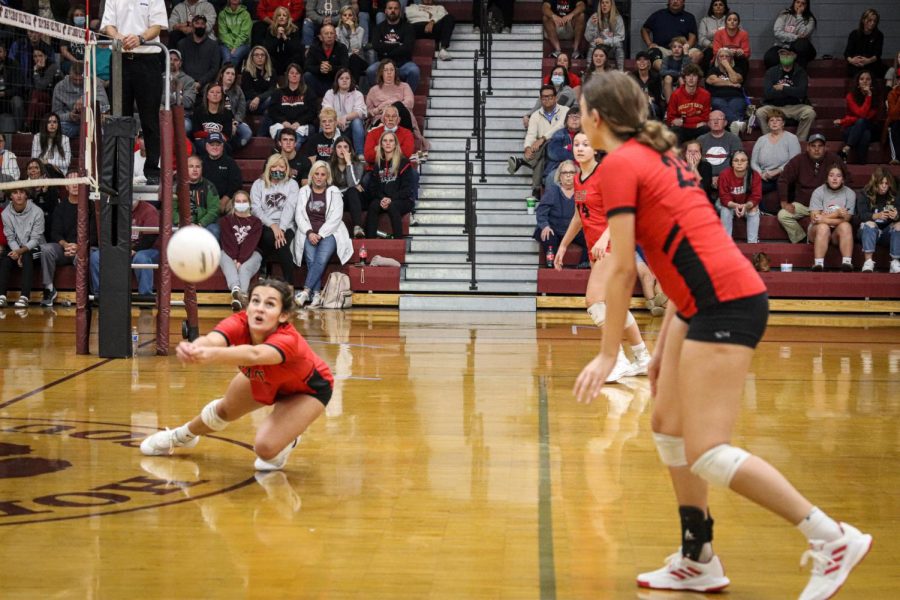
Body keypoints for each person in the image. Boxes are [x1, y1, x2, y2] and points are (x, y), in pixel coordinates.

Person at [575, 69, 872, 598]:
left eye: (580, 112)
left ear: (596, 119)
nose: (580, 121)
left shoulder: (622, 165)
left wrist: (605, 355)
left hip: (725, 301)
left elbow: (622, 268)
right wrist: (664, 343)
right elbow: (682, 252)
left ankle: (832, 537)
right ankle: (698, 557)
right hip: (703, 297)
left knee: (708, 449)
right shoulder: (654, 156)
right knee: (666, 425)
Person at [139, 278, 335, 472]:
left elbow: (255, 354)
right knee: (223, 411)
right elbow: (213, 339)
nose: (259, 308)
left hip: (308, 389)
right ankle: (180, 436)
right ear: (248, 307)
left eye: (269, 304)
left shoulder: (288, 338)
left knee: (265, 450)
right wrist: (194, 348)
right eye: (255, 301)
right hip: (266, 379)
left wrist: (211, 356)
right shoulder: (239, 321)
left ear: (283, 315)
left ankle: (287, 436)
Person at [554, 130, 651, 381]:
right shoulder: (578, 179)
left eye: (586, 144)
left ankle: (615, 359)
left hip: (613, 244)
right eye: (576, 144)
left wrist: (605, 237)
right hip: (598, 249)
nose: (580, 148)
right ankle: (643, 358)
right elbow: (579, 216)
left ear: (595, 148)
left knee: (594, 301)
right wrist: (564, 245)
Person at [101, 0, 167, 185]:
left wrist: (140, 38)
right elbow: (108, 27)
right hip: (120, 59)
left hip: (148, 59)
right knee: (119, 118)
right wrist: (120, 37)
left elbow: (157, 27)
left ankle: (153, 170)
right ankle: (121, 171)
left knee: (150, 118)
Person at [291, 161, 353, 307]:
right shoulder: (304, 191)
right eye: (316, 174)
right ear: (312, 175)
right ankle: (317, 295)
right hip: (308, 232)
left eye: (322, 174)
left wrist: (321, 234)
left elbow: (336, 217)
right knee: (312, 260)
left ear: (327, 177)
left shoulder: (334, 191)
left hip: (330, 233)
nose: (319, 177)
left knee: (321, 258)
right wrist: (309, 232)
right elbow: (299, 215)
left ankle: (306, 291)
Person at [38, 172, 97, 307]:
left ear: (83, 185)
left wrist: (78, 247)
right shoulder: (60, 207)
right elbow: (55, 233)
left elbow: (94, 235)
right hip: (64, 249)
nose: (75, 184)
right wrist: (65, 245)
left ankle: (84, 293)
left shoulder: (91, 206)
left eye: (78, 181)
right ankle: (49, 289)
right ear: (66, 186)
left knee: (81, 257)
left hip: (83, 248)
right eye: (71, 181)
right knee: (46, 249)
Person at [777, 133, 848, 243]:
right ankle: (802, 238)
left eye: (820, 146)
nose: (816, 149)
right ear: (808, 147)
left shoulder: (833, 159)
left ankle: (828, 239)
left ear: (825, 148)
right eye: (813, 146)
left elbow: (847, 178)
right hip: (802, 204)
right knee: (783, 215)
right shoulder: (798, 160)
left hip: (825, 205)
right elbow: (783, 179)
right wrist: (784, 201)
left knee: (835, 219)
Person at [89, 199, 161, 302]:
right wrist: (117, 249)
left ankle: (145, 297)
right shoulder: (115, 210)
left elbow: (150, 238)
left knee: (141, 258)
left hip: (148, 249)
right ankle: (100, 295)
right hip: (122, 249)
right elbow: (109, 234)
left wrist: (133, 250)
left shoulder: (149, 210)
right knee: (96, 257)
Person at [509, 85, 570, 197]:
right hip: (544, 152)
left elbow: (560, 126)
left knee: (550, 141)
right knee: (541, 155)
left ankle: (525, 163)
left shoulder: (565, 110)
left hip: (561, 146)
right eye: (544, 97)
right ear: (540, 99)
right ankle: (536, 187)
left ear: (556, 98)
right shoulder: (535, 116)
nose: (547, 99)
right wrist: (527, 148)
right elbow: (531, 134)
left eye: (550, 97)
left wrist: (542, 139)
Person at [251, 153, 300, 286]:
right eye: (274, 166)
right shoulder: (258, 184)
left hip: (287, 225)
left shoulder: (292, 184)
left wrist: (281, 228)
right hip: (264, 224)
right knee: (268, 236)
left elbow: (290, 208)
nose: (278, 169)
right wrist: (273, 225)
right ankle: (289, 285)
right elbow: (256, 209)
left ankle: (269, 273)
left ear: (286, 168)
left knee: (282, 242)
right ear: (269, 168)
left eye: (281, 166)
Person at [755, 44, 816, 142]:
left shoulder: (801, 72)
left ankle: (799, 142)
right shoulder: (771, 72)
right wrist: (792, 91)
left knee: (810, 113)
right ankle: (770, 140)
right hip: (774, 106)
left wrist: (782, 88)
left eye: (788, 54)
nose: (785, 57)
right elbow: (768, 93)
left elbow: (801, 92)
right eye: (782, 55)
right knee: (760, 112)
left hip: (795, 107)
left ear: (794, 56)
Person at [534, 159, 587, 265]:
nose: (568, 176)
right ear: (560, 176)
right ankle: (551, 264)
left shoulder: (581, 192)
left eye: (571, 172)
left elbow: (586, 212)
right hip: (555, 229)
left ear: (577, 175)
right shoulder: (553, 191)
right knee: (548, 236)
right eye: (565, 173)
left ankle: (584, 263)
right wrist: (545, 226)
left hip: (574, 230)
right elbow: (541, 211)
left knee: (591, 236)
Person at [218, 189, 263, 311]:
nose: (241, 203)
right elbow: (228, 240)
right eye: (238, 201)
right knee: (223, 257)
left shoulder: (256, 222)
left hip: (252, 253)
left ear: (249, 203)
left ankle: (240, 296)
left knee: (244, 268)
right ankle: (236, 290)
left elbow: (250, 243)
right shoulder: (225, 220)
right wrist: (233, 258)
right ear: (233, 204)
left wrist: (240, 260)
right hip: (228, 252)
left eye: (244, 201)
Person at [0, 187, 45, 308]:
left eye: (22, 192)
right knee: (6, 257)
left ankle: (24, 297)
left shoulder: (37, 212)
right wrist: (17, 252)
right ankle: (2, 296)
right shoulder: (5, 214)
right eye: (15, 193)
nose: (19, 195)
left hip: (38, 248)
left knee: (27, 255)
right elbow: (10, 238)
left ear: (26, 195)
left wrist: (21, 251)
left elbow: (35, 240)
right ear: (10, 196)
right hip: (17, 248)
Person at [366, 131, 414, 238]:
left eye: (391, 141)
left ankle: (397, 241)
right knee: (374, 205)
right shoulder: (378, 164)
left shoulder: (404, 162)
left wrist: (391, 199)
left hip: (402, 200)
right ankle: (370, 241)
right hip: (383, 199)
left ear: (395, 144)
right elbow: (373, 188)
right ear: (381, 144)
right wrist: (383, 198)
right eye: (385, 141)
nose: (388, 143)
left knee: (393, 206)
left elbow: (407, 190)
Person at [367, 0, 421, 95]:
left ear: (400, 11)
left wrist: (386, 50)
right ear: (385, 11)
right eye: (390, 8)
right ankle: (381, 95)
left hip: (403, 65)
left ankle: (405, 96)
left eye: (395, 8)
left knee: (414, 71)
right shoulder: (379, 28)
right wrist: (397, 45)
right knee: (371, 71)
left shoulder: (408, 27)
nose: (393, 11)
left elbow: (407, 47)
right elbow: (376, 46)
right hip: (383, 64)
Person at [750, 109, 801, 208]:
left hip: (784, 176)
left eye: (778, 120)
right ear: (768, 124)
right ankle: (762, 212)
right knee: (752, 186)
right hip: (765, 176)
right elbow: (753, 162)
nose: (774, 122)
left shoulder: (792, 138)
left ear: (783, 123)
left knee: (787, 185)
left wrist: (777, 171)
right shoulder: (761, 140)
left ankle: (785, 213)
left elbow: (795, 161)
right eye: (771, 120)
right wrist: (761, 173)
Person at [808, 166, 856, 271]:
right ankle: (818, 265)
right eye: (831, 175)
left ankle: (847, 263)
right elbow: (815, 219)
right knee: (823, 227)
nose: (834, 179)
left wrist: (824, 218)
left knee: (846, 226)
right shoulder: (818, 192)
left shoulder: (850, 193)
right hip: (817, 231)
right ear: (826, 178)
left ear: (843, 179)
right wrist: (836, 213)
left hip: (837, 233)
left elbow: (846, 219)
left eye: (838, 176)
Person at [51, 62, 110, 141]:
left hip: (92, 122)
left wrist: (86, 100)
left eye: (81, 80)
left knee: (107, 131)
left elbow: (105, 104)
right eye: (75, 79)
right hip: (70, 123)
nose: (78, 82)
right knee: (56, 129)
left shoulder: (95, 83)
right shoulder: (60, 87)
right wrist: (70, 116)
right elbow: (56, 113)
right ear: (69, 75)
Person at [856, 169, 900, 273]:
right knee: (870, 224)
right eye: (881, 183)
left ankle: (895, 262)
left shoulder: (894, 194)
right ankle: (868, 262)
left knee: (899, 225)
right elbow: (861, 216)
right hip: (867, 231)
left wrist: (896, 215)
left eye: (886, 183)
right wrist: (877, 215)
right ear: (875, 183)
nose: (884, 186)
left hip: (886, 233)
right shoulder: (865, 193)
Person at [265, 63, 318, 142]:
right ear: (287, 75)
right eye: (292, 73)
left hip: (301, 126)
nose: (294, 75)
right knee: (284, 138)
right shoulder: (278, 92)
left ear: (300, 76)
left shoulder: (308, 92)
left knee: (295, 140)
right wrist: (284, 122)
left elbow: (312, 112)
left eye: (297, 73)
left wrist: (299, 123)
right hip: (282, 125)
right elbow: (272, 111)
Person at [717, 149, 761, 243]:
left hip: (746, 205)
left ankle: (752, 243)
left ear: (748, 163)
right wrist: (735, 205)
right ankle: (726, 243)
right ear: (732, 163)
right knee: (725, 210)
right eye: (736, 160)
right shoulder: (724, 174)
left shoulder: (754, 175)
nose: (739, 163)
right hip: (730, 205)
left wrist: (746, 206)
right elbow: (724, 197)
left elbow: (756, 196)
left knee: (754, 208)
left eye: (743, 160)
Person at [322, 68, 367, 159]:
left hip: (350, 128)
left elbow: (361, 111)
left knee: (357, 121)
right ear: (337, 80)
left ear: (351, 80)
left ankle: (360, 154)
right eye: (341, 78)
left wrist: (345, 117)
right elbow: (326, 109)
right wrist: (336, 119)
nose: (344, 80)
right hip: (334, 126)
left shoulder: (357, 94)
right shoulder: (330, 93)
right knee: (324, 121)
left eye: (347, 78)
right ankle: (324, 153)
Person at [834, 70, 878, 165]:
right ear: (858, 82)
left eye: (868, 79)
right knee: (865, 134)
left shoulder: (876, 97)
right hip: (851, 129)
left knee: (863, 124)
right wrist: (846, 121)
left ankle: (847, 148)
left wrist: (869, 96)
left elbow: (866, 117)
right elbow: (860, 115)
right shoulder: (850, 96)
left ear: (872, 82)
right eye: (862, 79)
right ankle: (861, 164)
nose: (865, 81)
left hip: (870, 126)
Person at [175, 154, 222, 239]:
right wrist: (181, 222)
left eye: (198, 166)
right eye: (191, 166)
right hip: (182, 223)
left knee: (214, 230)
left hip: (203, 224)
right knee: (168, 229)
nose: (195, 169)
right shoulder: (177, 187)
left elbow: (214, 210)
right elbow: (171, 209)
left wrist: (200, 224)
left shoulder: (209, 186)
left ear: (201, 169)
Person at [330, 136, 368, 238]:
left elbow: (352, 184)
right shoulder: (329, 165)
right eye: (339, 147)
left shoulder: (358, 165)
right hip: (337, 199)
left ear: (350, 149)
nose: (342, 150)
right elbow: (329, 187)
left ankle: (357, 228)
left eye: (345, 147)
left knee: (352, 191)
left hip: (353, 200)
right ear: (334, 150)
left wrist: (348, 163)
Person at [640, 0, 697, 65]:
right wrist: (649, 44)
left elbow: (693, 37)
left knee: (697, 54)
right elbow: (644, 29)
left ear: (683, 2)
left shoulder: (689, 17)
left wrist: (685, 48)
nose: (675, 1)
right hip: (662, 50)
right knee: (653, 51)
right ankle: (665, 72)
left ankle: (681, 71)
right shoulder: (658, 15)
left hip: (682, 50)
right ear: (668, 1)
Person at [763, 0, 816, 69]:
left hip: (798, 48)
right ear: (794, 3)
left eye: (803, 3)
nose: (799, 5)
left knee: (802, 43)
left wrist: (799, 15)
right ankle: (783, 71)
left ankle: (799, 71)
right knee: (769, 58)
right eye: (798, 2)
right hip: (781, 46)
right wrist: (795, 37)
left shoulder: (810, 19)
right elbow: (777, 32)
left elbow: (803, 34)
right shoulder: (784, 14)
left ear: (806, 6)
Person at [665, 64, 710, 144]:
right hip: (683, 129)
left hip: (697, 128)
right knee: (674, 130)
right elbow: (670, 118)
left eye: (694, 76)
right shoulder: (676, 94)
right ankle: (676, 156)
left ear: (698, 78)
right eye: (688, 75)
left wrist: (684, 121)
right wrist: (694, 123)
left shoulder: (705, 94)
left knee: (706, 128)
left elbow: (705, 117)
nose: (691, 79)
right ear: (684, 78)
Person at [698, 111, 742, 192]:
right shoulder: (701, 139)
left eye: (719, 119)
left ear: (725, 123)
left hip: (728, 177)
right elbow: (697, 161)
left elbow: (738, 162)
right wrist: (710, 177)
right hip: (705, 178)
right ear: (708, 123)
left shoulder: (734, 139)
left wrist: (721, 177)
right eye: (712, 119)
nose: (715, 121)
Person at [303, 23, 350, 99]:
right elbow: (307, 66)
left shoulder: (342, 48)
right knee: (307, 76)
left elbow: (345, 67)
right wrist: (320, 68)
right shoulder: (314, 48)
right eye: (326, 33)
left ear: (335, 36)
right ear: (320, 37)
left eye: (332, 33)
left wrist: (331, 68)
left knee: (345, 75)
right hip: (319, 82)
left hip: (335, 83)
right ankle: (313, 102)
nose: (329, 36)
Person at [706, 47, 747, 130]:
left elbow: (736, 79)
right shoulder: (713, 70)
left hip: (736, 96)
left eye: (727, 56)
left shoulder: (737, 70)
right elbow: (713, 81)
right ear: (717, 59)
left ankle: (734, 127)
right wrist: (731, 84)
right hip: (717, 97)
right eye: (721, 56)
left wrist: (728, 66)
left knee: (736, 105)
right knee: (719, 103)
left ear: (731, 59)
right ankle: (738, 124)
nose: (724, 58)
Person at [201, 132, 242, 215]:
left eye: (218, 144)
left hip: (226, 200)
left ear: (222, 146)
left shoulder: (230, 162)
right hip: (204, 201)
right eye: (212, 144)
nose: (215, 147)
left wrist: (224, 200)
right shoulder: (201, 162)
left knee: (237, 205)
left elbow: (236, 184)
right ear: (206, 146)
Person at [177, 14, 222, 90]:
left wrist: (200, 82)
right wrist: (189, 81)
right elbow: (179, 66)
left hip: (207, 85)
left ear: (205, 26)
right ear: (192, 25)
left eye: (202, 24)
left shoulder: (213, 45)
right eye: (197, 23)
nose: (200, 26)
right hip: (186, 84)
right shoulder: (182, 44)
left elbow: (215, 68)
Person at [191, 82, 235, 156]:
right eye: (212, 92)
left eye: (218, 92)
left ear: (222, 96)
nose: (215, 94)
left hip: (219, 142)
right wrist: (214, 135)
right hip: (204, 142)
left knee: (225, 146)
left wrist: (207, 135)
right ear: (207, 95)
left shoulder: (227, 113)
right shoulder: (198, 111)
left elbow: (227, 136)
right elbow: (196, 133)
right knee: (200, 144)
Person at [25, 43, 60, 134]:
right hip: (38, 100)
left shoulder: (52, 67)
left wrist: (36, 71)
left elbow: (41, 86)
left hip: (53, 97)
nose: (37, 58)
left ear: (46, 56)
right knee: (39, 105)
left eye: (40, 55)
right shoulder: (32, 67)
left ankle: (27, 125)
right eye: (35, 56)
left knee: (36, 94)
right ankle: (37, 130)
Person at [262, 6, 305, 79]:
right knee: (268, 58)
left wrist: (285, 38)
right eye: (279, 15)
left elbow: (296, 49)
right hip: (276, 60)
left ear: (288, 18)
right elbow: (268, 49)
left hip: (289, 59)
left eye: (284, 15)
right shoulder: (270, 30)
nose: (281, 17)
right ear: (275, 18)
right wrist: (278, 37)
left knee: (297, 57)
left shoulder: (294, 30)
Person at [217, 63, 251, 150]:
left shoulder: (238, 90)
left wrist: (235, 122)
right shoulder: (214, 88)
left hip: (234, 121)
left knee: (247, 133)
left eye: (233, 74)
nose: (230, 76)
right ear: (221, 75)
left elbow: (241, 109)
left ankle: (232, 149)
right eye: (227, 73)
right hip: (217, 120)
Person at [843, 9, 883, 80]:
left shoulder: (879, 35)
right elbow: (847, 53)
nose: (872, 23)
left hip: (871, 64)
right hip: (855, 64)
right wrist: (852, 60)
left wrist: (868, 61)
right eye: (870, 20)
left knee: (873, 71)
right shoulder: (854, 34)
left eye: (875, 21)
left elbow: (877, 54)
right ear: (863, 20)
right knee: (856, 73)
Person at [544, 107, 581, 185]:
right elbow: (553, 152)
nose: (574, 119)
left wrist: (566, 150)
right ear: (566, 120)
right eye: (571, 116)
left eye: (578, 117)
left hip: (581, 168)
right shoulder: (560, 134)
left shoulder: (586, 135)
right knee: (551, 178)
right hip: (558, 167)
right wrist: (576, 155)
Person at [241, 46, 278, 122]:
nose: (260, 57)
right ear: (252, 57)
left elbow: (272, 90)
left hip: (266, 101)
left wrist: (259, 98)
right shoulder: (247, 72)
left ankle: (262, 132)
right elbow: (248, 92)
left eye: (262, 55)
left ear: (266, 57)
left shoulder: (272, 72)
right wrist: (257, 99)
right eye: (257, 55)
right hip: (251, 103)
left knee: (270, 105)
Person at [585, 0, 625, 70]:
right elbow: (588, 38)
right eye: (602, 3)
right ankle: (588, 71)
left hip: (611, 48)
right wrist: (593, 26)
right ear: (600, 5)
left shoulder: (617, 18)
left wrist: (604, 41)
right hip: (599, 48)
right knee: (592, 44)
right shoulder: (594, 17)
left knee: (619, 45)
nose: (604, 5)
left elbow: (620, 37)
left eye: (607, 2)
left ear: (611, 5)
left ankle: (621, 72)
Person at [31, 113, 72, 178]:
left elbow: (67, 162)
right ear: (45, 124)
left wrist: (48, 162)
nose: (52, 124)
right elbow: (34, 159)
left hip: (59, 172)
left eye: (55, 122)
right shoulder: (37, 137)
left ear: (58, 125)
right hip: (41, 171)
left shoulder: (65, 139)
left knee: (48, 167)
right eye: (49, 122)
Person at [337, 6, 369, 85]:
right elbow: (341, 50)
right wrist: (350, 54)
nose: (347, 17)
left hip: (359, 60)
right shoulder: (337, 31)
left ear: (354, 18)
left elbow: (356, 47)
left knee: (354, 58)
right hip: (344, 60)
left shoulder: (360, 30)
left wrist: (353, 29)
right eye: (345, 15)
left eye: (350, 15)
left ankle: (355, 86)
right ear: (341, 18)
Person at [168, 50, 199, 133]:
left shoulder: (189, 80)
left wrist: (169, 98)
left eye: (175, 60)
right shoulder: (159, 79)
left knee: (186, 126)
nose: (172, 62)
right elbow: (156, 99)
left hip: (182, 116)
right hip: (163, 115)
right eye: (169, 59)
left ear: (180, 63)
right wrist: (178, 97)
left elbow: (188, 102)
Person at [629, 51, 665, 120]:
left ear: (649, 62)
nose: (642, 62)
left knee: (648, 107)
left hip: (652, 104)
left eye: (644, 60)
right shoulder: (631, 77)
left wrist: (649, 99)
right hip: (636, 104)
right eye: (639, 60)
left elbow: (657, 96)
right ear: (636, 62)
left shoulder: (656, 76)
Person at [0, 44, 26, 135]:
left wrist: (4, 93)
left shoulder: (13, 64)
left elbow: (18, 88)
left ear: (5, 53)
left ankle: (19, 131)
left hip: (9, 99)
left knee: (17, 101)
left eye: (0, 52)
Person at [218, 0, 253, 68]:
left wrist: (235, 46)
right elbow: (223, 34)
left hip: (243, 44)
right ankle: (224, 77)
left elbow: (244, 34)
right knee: (227, 58)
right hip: (226, 43)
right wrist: (231, 47)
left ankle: (229, 77)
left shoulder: (245, 14)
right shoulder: (222, 14)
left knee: (234, 56)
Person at [23, 159, 60, 223]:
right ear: (27, 172)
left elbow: (52, 208)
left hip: (48, 220)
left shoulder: (51, 186)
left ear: (41, 170)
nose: (33, 170)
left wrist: (44, 192)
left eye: (36, 168)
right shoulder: (23, 188)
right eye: (30, 168)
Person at [659, 36, 690, 101]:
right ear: (671, 48)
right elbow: (662, 72)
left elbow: (685, 72)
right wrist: (678, 74)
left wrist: (686, 54)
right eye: (674, 47)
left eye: (680, 47)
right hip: (668, 84)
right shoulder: (666, 59)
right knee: (668, 77)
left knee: (681, 79)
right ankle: (669, 106)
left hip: (682, 83)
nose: (676, 49)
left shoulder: (686, 59)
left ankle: (685, 103)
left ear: (683, 48)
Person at [886, 82, 900, 165]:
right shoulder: (892, 94)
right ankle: (896, 158)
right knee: (895, 126)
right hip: (896, 121)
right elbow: (893, 115)